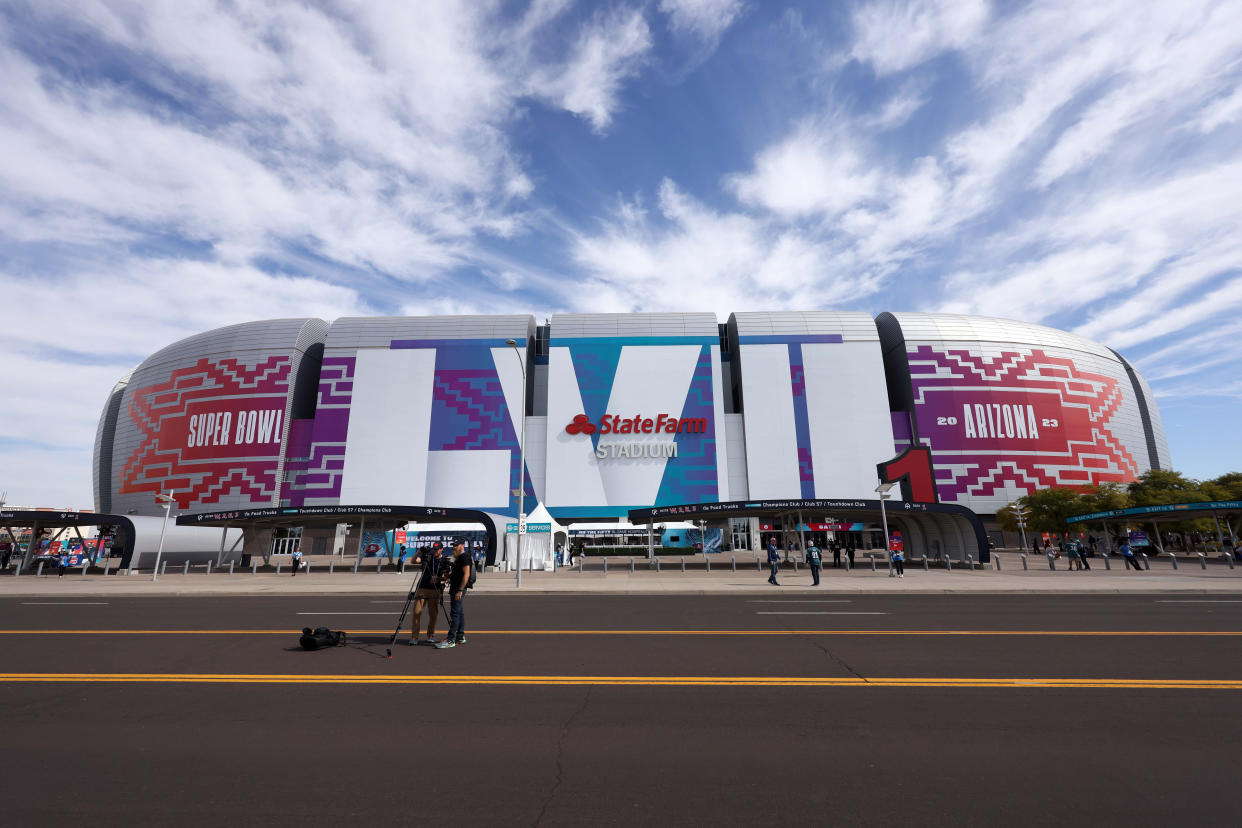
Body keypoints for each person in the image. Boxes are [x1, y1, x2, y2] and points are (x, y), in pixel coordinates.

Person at [409, 544, 447, 645]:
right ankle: (414, 637)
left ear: (441, 549)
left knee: (433, 614)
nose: (435, 551)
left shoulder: (444, 561)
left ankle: (431, 635)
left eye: (437, 549)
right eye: (434, 549)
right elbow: (413, 561)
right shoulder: (428, 557)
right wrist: (419, 551)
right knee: (417, 613)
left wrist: (439, 579)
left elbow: (447, 577)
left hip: (435, 589)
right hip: (422, 588)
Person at [439, 539, 472, 648]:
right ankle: (460, 636)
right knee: (459, 612)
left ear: (462, 546)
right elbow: (457, 574)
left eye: (456, 545)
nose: (454, 547)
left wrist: (460, 590)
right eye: (453, 545)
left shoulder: (464, 557)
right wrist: (447, 576)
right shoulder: (458, 558)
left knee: (455, 613)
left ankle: (450, 639)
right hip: (455, 588)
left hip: (458, 589)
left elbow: (466, 575)